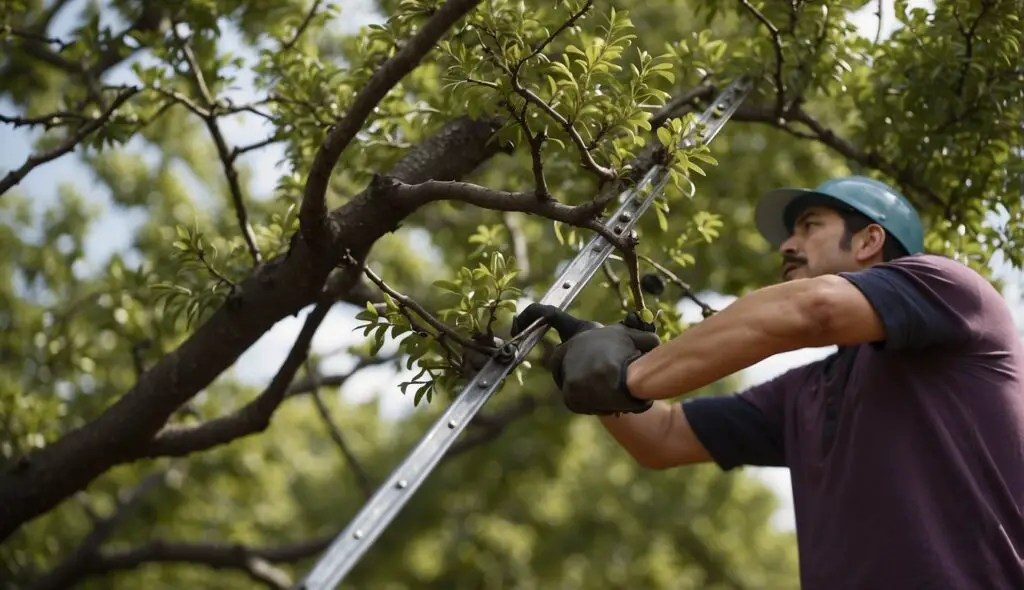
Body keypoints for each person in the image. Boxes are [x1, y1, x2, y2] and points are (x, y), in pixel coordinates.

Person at [510, 175, 1024, 590]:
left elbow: (814, 310)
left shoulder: (953, 291)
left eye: (808, 226)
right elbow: (661, 439)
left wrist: (634, 375)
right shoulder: (804, 393)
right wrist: (588, 368)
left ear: (870, 239)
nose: (786, 245)